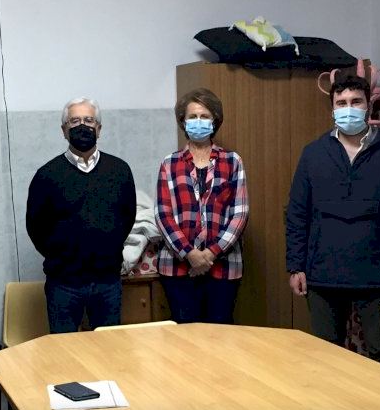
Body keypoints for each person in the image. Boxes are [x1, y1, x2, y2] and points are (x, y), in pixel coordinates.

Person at [286, 74, 380, 364]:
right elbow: (297, 213)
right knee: (325, 356)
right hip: (322, 274)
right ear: (332, 109)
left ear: (368, 106)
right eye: (341, 102)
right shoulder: (313, 154)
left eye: (356, 101)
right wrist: (295, 265)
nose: (349, 108)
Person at [26, 97, 136, 332]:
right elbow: (35, 226)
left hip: (108, 281)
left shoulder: (120, 171)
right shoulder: (46, 175)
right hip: (63, 283)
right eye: (75, 121)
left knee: (109, 348)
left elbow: (127, 217)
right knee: (64, 349)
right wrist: (63, 255)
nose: (82, 126)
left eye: (89, 120)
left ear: (99, 128)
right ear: (64, 130)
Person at [156, 88, 249, 323]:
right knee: (184, 336)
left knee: (220, 334)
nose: (199, 121)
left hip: (224, 267)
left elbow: (240, 214)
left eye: (204, 116)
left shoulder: (232, 161)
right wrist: (190, 254)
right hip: (178, 268)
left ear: (215, 120)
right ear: (183, 121)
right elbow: (163, 215)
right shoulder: (169, 163)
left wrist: (209, 254)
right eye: (193, 116)